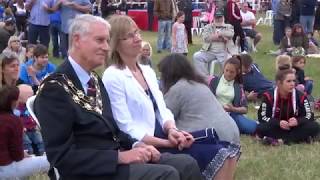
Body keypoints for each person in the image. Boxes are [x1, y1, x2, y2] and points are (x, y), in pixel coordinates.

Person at [34, 14, 202, 180]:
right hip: (90, 172)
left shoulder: (92, 79)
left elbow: (112, 129)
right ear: (77, 40)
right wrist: (120, 158)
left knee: (186, 164)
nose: (107, 47)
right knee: (166, 175)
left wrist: (138, 145)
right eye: (100, 40)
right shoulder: (54, 89)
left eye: (107, 41)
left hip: (114, 159)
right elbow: (61, 158)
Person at [103, 15, 240, 180]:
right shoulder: (113, 76)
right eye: (130, 36)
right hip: (143, 142)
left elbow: (163, 109)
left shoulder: (146, 70)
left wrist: (172, 130)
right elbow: (125, 126)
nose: (138, 38)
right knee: (215, 153)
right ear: (116, 44)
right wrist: (166, 142)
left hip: (163, 134)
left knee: (226, 150)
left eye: (137, 33)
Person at [160, 53, 240, 145]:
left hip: (215, 140)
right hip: (232, 135)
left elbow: (163, 117)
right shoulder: (200, 84)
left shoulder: (178, 89)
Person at [257, 69, 320, 145]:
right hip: (277, 127)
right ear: (279, 83)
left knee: (314, 126)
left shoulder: (301, 96)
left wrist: (298, 121)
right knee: (261, 128)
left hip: (295, 127)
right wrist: (278, 123)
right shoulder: (268, 96)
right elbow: (262, 116)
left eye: (294, 81)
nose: (292, 84)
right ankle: (301, 138)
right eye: (289, 81)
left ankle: (281, 141)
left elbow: (309, 115)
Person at [0, 86, 50, 179]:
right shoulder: (13, 120)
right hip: (5, 169)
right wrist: (23, 154)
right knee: (49, 161)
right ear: (13, 102)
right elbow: (17, 156)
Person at [209, 56, 258, 135]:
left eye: (231, 72)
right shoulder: (213, 81)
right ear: (223, 69)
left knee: (252, 128)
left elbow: (245, 109)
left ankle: (256, 126)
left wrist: (233, 109)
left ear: (237, 72)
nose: (228, 74)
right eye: (226, 70)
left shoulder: (238, 87)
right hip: (213, 114)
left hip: (231, 115)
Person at [193, 11, 235, 77]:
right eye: (217, 17)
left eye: (220, 17)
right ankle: (205, 77)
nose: (218, 19)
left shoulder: (228, 26)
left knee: (229, 65)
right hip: (210, 52)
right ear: (214, 18)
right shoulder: (208, 26)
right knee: (197, 56)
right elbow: (206, 38)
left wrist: (220, 34)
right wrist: (223, 38)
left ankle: (223, 79)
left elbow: (230, 34)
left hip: (224, 52)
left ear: (223, 18)